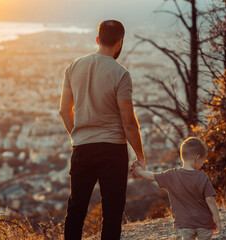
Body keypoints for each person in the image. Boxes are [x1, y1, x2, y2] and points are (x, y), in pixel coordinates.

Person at [59, 19, 145, 240]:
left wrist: (78, 137)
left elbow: (63, 111)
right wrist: (140, 156)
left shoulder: (73, 67)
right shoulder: (121, 74)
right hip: (112, 151)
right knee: (112, 213)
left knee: (76, 210)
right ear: (120, 43)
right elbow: (128, 122)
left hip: (82, 149)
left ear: (97, 40)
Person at [134, 137, 221, 240]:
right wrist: (217, 220)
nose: (202, 164)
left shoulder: (171, 175)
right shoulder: (202, 177)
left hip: (184, 224)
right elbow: (210, 199)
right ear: (197, 158)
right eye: (202, 161)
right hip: (204, 224)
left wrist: (139, 171)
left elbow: (152, 176)